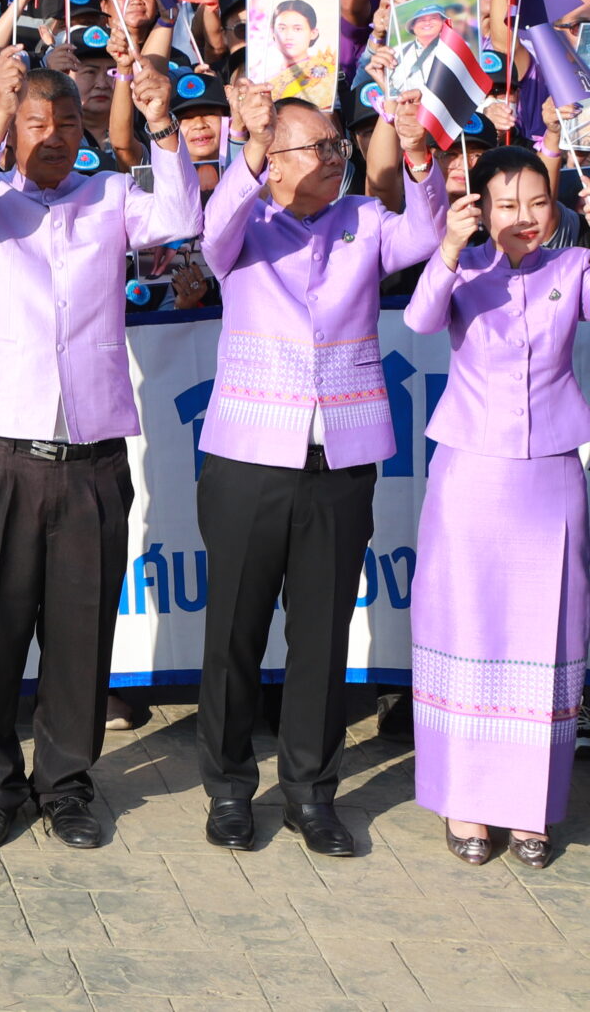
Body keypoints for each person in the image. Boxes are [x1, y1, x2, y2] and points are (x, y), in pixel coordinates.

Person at [0, 51, 199, 850]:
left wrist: (159, 123)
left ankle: (68, 782)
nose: (50, 137)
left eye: (66, 123)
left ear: (85, 130)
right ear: (15, 130)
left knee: (80, 630)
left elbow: (180, 214)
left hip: (90, 453)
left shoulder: (109, 195)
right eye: (36, 123)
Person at [193, 80, 440, 856]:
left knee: (322, 635)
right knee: (233, 631)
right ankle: (231, 788)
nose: (335, 157)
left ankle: (311, 791)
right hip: (249, 458)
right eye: (319, 147)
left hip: (340, 457)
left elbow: (426, 234)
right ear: (275, 159)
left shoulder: (365, 219)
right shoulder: (246, 220)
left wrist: (417, 150)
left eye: (339, 145)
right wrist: (254, 143)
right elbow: (212, 233)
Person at [402, 147, 587, 868]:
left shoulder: (573, 269)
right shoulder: (464, 268)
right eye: (507, 204)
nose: (525, 218)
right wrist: (449, 244)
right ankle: (467, 801)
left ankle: (534, 807)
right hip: (470, 478)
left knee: (549, 637)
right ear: (481, 205)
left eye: (538, 202)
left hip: (552, 481)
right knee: (468, 630)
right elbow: (418, 321)